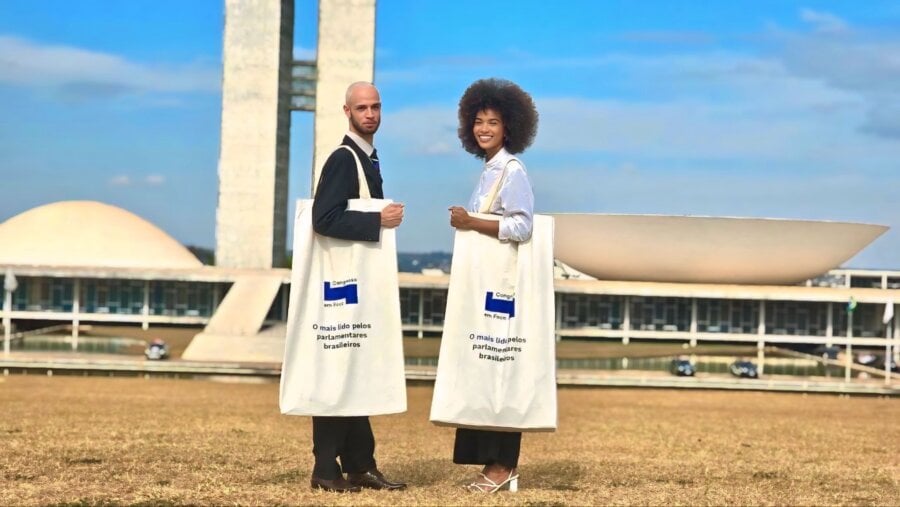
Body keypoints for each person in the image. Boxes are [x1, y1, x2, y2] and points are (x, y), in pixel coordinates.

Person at [307, 81, 407, 493]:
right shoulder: (345, 159)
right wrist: (375, 222)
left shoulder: (369, 159)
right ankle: (326, 469)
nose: (370, 114)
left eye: (376, 107)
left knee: (357, 371)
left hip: (359, 286)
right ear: (347, 112)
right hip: (344, 288)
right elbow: (323, 218)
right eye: (362, 108)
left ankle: (360, 464)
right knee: (340, 372)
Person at [447, 78, 539, 493]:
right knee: (485, 371)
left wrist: (470, 222)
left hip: (501, 290)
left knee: (501, 370)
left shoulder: (512, 169)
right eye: (479, 121)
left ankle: (504, 467)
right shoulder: (489, 169)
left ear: (509, 128)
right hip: (484, 285)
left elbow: (521, 225)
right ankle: (493, 466)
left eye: (494, 122)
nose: (485, 128)